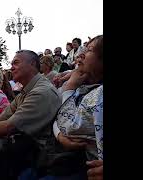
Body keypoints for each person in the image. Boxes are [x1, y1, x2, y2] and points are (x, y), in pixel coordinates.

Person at [0, 50, 61, 180]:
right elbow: (2, 117)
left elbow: (9, 126)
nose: (11, 67)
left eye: (16, 63)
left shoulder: (41, 91)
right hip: (25, 144)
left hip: (41, 152)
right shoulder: (26, 91)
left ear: (33, 64)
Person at [53, 35, 103, 180]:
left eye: (89, 50)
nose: (80, 55)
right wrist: (60, 135)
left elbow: (66, 126)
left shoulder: (98, 95)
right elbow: (57, 116)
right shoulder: (83, 88)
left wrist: (69, 87)